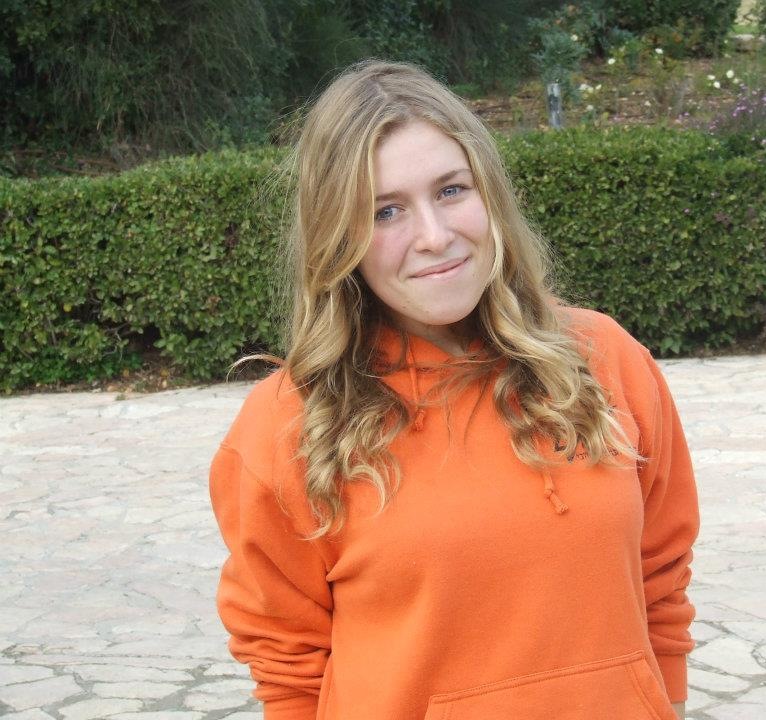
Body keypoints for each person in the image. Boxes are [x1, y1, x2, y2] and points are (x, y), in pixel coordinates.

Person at [209, 59, 699, 720]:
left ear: (489, 192)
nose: (435, 237)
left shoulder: (603, 358)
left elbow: (661, 578)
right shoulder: (288, 426)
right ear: (338, 236)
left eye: (450, 190)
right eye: (386, 211)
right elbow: (286, 662)